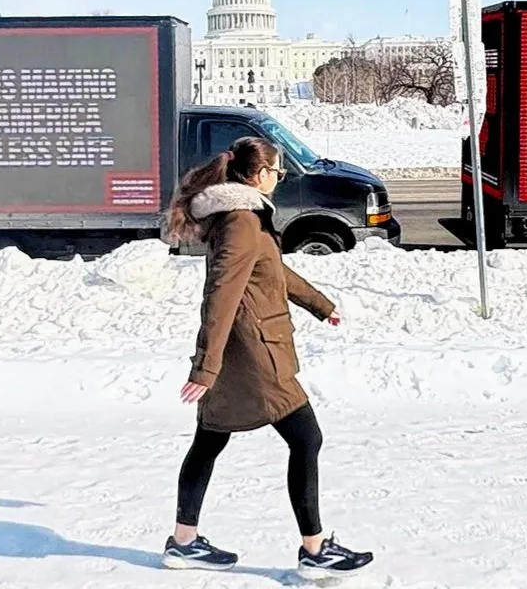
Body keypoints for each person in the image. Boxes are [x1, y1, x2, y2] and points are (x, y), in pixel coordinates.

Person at [159, 136, 373, 575]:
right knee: (306, 438)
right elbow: (221, 293)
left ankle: (183, 542)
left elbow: (272, 269)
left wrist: (320, 305)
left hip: (243, 351)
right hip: (257, 354)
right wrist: (205, 368)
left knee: (209, 441)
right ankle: (315, 551)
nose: (280, 178)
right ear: (259, 176)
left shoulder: (246, 218)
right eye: (277, 172)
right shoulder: (241, 221)